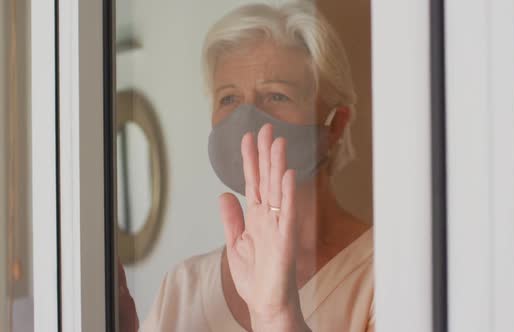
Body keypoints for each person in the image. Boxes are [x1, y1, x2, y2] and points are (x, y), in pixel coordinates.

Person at [119, 2, 374, 331]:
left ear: (335, 125)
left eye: (276, 96)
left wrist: (276, 313)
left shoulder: (385, 275)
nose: (246, 119)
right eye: (228, 98)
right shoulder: (183, 287)